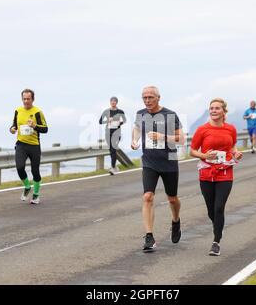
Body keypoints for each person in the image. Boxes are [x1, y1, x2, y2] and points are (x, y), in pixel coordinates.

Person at [131, 86, 185, 252]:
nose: (147, 101)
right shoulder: (141, 114)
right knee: (147, 196)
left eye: (150, 97)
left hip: (169, 161)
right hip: (149, 162)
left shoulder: (170, 114)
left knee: (172, 199)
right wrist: (134, 141)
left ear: (158, 98)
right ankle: (149, 236)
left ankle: (176, 221)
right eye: (144, 98)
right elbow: (137, 129)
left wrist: (163, 137)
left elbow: (181, 139)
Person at [190, 98, 243, 256]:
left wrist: (236, 153)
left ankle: (216, 241)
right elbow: (192, 151)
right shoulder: (202, 129)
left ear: (223, 111)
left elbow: (232, 146)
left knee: (219, 208)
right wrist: (205, 155)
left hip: (225, 171)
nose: (213, 111)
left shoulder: (231, 129)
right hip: (206, 172)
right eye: (211, 108)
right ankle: (218, 227)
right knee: (211, 210)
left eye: (217, 108)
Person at [10, 89, 48, 204]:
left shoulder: (38, 112)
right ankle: (27, 187)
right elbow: (13, 125)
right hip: (21, 144)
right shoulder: (18, 110)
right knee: (20, 167)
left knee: (35, 171)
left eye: (28, 99)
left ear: (33, 99)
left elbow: (45, 129)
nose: (26, 101)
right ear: (22, 99)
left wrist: (35, 125)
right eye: (24, 99)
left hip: (34, 146)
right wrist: (12, 129)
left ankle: (36, 195)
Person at [99, 96, 127, 175]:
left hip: (117, 132)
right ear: (110, 102)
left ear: (116, 103)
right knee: (111, 150)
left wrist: (119, 123)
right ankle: (115, 166)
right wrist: (107, 121)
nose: (113, 103)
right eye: (112, 101)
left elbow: (124, 121)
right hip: (108, 132)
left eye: (114, 101)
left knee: (113, 149)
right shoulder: (106, 111)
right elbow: (100, 121)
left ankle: (112, 167)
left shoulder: (120, 111)